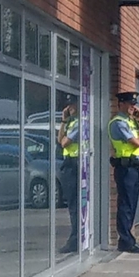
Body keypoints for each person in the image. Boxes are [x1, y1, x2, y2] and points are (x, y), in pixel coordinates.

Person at [108, 91, 139, 254]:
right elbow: (136, 142)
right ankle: (125, 240)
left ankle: (128, 239)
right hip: (124, 168)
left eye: (134, 105)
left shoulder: (131, 122)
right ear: (121, 104)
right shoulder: (118, 123)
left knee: (131, 205)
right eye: (130, 104)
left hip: (133, 168)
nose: (133, 107)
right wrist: (138, 138)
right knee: (125, 205)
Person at [57, 95, 80, 254]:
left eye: (72, 105)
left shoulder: (79, 122)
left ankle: (75, 241)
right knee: (73, 204)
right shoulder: (71, 122)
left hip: (75, 164)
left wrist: (66, 122)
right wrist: (64, 121)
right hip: (70, 163)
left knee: (75, 205)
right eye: (68, 105)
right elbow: (60, 140)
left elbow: (64, 142)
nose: (70, 108)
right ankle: (76, 239)